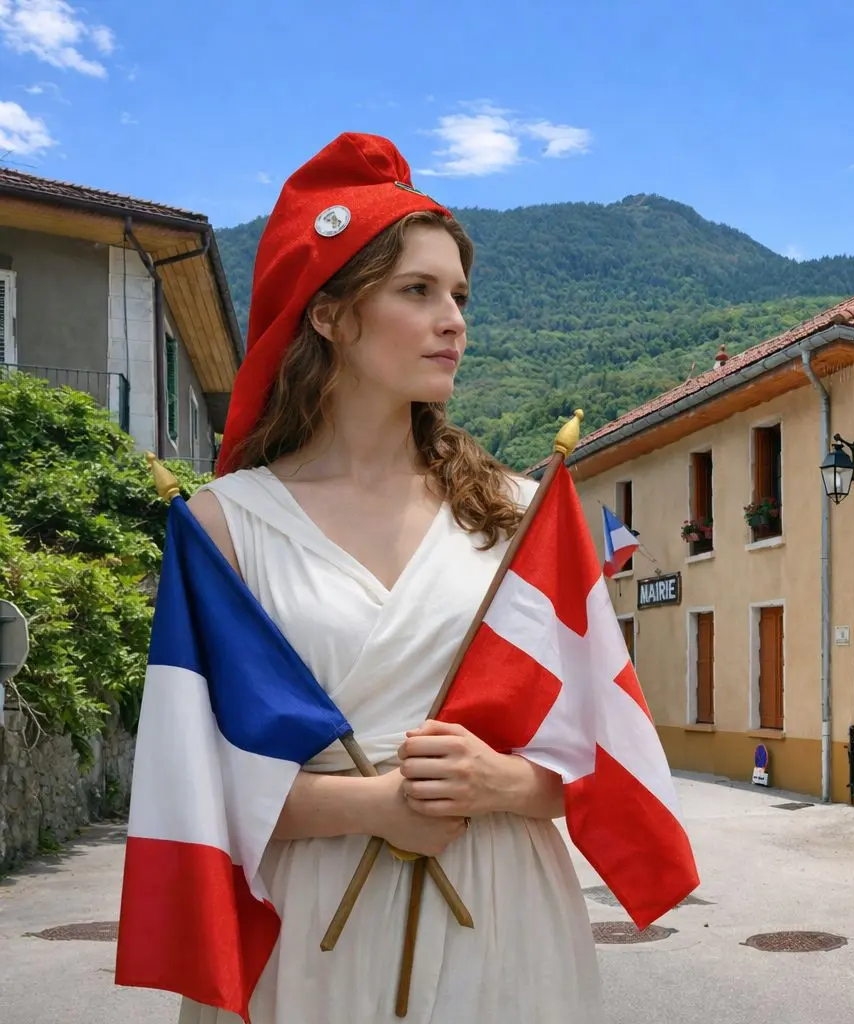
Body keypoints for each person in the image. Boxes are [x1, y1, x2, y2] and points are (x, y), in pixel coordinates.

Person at [178, 133, 604, 1022]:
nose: (454, 319)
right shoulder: (226, 523)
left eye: (459, 294)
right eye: (418, 291)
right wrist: (373, 805)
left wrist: (505, 783)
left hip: (502, 913)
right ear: (328, 314)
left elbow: (609, 757)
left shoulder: (521, 517)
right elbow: (191, 782)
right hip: (305, 922)